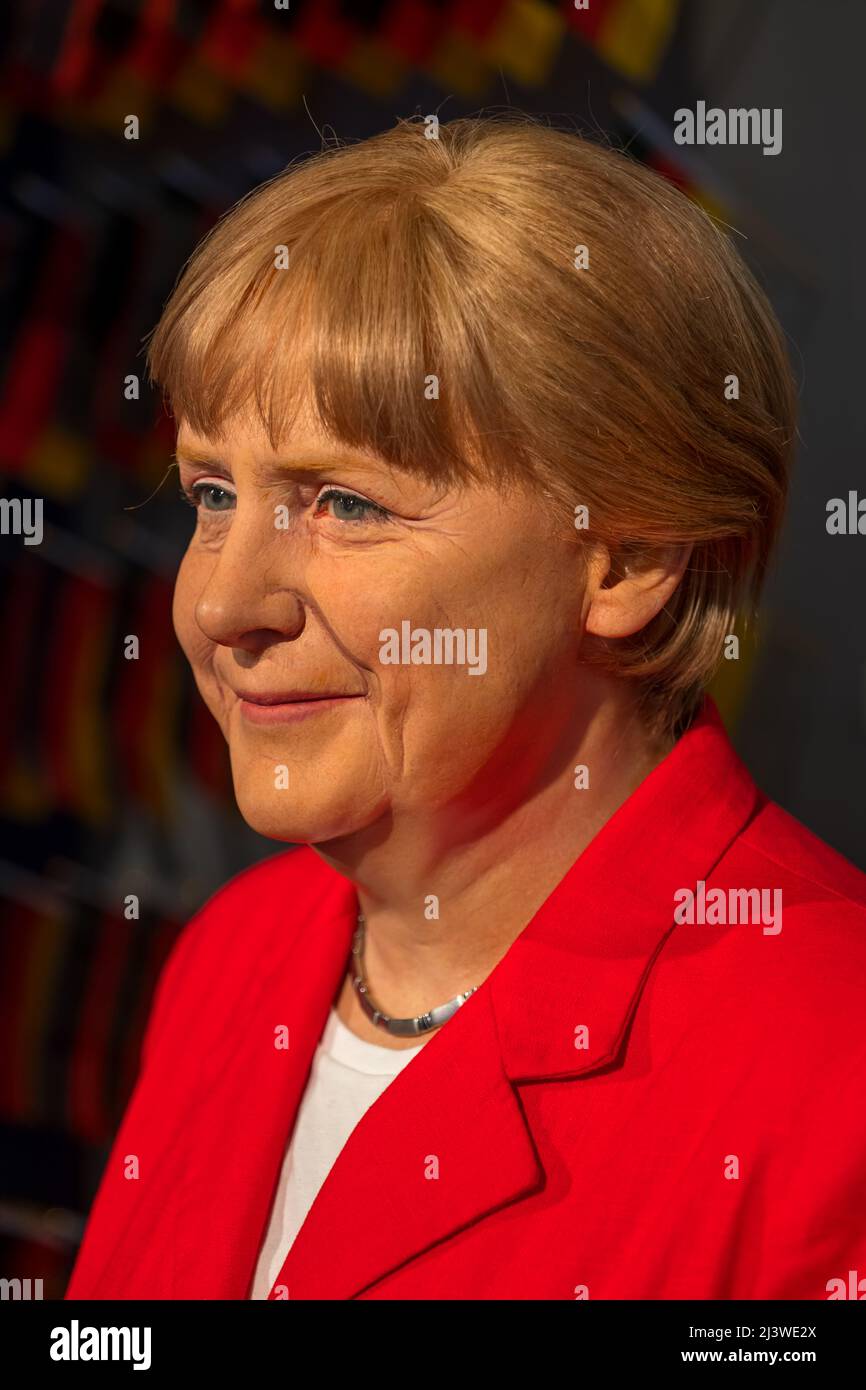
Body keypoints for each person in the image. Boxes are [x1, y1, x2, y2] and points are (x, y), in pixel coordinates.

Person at [65, 114, 866, 1301]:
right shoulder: (241, 953)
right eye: (213, 491)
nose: (223, 603)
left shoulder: (828, 1070)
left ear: (626, 558)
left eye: (344, 502)